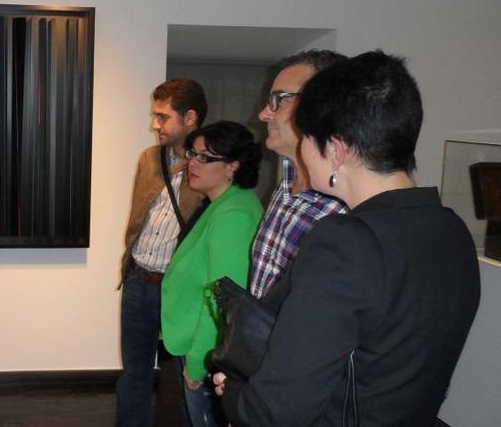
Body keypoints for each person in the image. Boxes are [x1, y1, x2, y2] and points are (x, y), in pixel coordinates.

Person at [213, 51, 481, 426]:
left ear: (335, 150)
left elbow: (276, 413)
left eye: (308, 137)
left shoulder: (344, 243)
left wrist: (235, 393)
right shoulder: (450, 230)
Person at [117, 79, 207, 427]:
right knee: (134, 375)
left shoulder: (212, 166)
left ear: (190, 118)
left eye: (162, 117)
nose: (155, 125)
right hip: (138, 282)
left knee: (186, 378)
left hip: (180, 291)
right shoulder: (149, 159)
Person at [161, 122, 264, 426]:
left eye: (205, 158)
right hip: (196, 342)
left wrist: (197, 363)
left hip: (207, 353)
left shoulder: (233, 215)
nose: (192, 162)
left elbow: (224, 299)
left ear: (232, 166)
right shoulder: (222, 204)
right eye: (193, 154)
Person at [249, 50, 348, 299]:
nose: (263, 114)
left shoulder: (344, 206)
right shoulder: (287, 184)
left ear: (323, 106)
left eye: (279, 99)